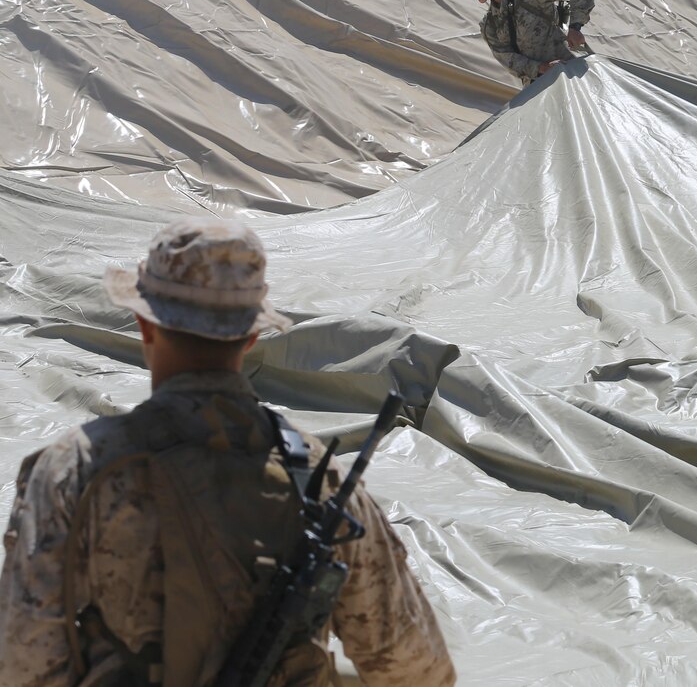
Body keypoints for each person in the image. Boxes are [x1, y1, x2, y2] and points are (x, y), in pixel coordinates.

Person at [0, 219, 456, 687]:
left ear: (144, 324)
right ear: (254, 335)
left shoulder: (73, 471)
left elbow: (25, 666)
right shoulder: (320, 482)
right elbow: (416, 670)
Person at [459, 0, 594, 85]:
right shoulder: (489, 25)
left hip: (573, 77)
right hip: (540, 90)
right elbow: (507, 59)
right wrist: (541, 68)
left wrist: (575, 27)